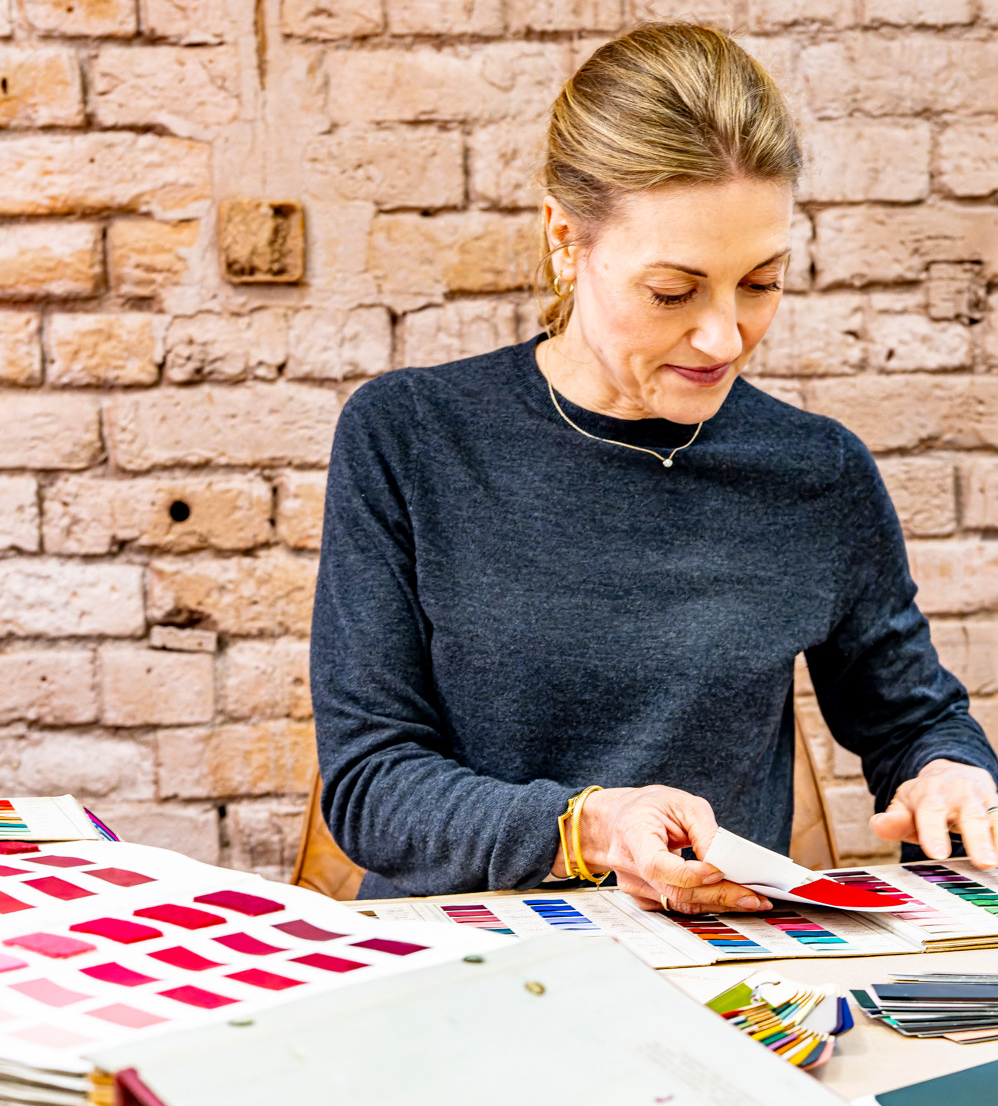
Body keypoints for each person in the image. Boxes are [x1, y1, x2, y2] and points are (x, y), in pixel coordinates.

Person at [310, 22, 998, 913]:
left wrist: (949, 772)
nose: (724, 337)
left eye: (761, 281)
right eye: (672, 292)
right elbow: (370, 786)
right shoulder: (409, 436)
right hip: (463, 958)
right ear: (567, 239)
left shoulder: (816, 471)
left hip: (718, 966)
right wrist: (593, 824)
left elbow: (913, 722)